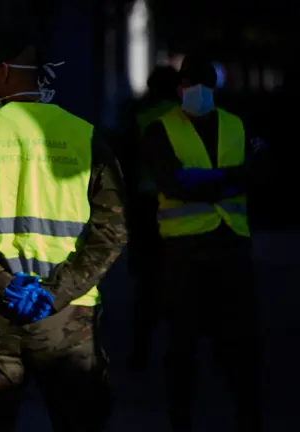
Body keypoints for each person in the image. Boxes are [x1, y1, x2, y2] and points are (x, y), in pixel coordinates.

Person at [0, 30, 127, 432]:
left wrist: (2, 284)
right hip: (68, 319)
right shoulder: (84, 137)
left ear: (2, 72)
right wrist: (58, 292)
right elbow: (113, 230)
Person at [141, 54, 264, 432]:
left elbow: (259, 175)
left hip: (231, 245)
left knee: (240, 340)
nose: (195, 91)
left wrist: (205, 179)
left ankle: (248, 416)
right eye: (189, 84)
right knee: (183, 343)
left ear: (213, 88)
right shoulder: (160, 129)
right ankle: (181, 418)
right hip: (184, 250)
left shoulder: (236, 125)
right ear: (179, 88)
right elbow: (174, 183)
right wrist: (231, 177)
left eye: (202, 85)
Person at [126, 65, 181, 370]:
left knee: (146, 285)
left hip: (147, 207)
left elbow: (127, 165)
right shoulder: (188, 118)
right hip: (181, 207)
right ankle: (178, 352)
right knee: (180, 283)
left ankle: (140, 354)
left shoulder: (141, 118)